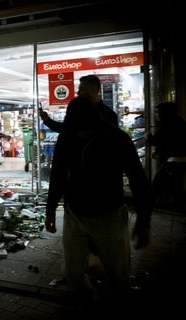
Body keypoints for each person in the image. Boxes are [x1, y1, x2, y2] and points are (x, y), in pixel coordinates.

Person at [44, 87, 153, 312]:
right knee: (72, 271)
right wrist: (50, 210)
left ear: (95, 122)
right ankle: (91, 298)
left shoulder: (117, 138)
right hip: (75, 213)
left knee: (118, 275)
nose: (81, 135)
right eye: (77, 130)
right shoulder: (68, 137)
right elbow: (57, 175)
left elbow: (138, 180)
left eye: (85, 130)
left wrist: (143, 221)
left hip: (110, 214)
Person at [39, 75, 119, 131]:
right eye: (79, 89)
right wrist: (47, 120)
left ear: (94, 90)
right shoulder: (76, 109)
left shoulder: (109, 116)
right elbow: (66, 129)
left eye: (82, 89)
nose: (78, 93)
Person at [147, 102, 186, 209]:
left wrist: (148, 137)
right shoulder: (180, 121)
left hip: (174, 160)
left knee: (158, 182)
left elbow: (157, 141)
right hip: (180, 159)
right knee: (175, 185)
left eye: (158, 112)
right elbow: (170, 141)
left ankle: (149, 206)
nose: (157, 115)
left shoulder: (166, 124)